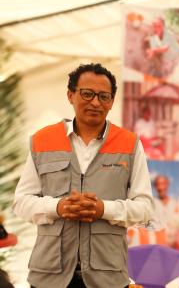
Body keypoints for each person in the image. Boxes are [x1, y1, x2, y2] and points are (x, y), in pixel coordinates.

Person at [12, 63, 154, 288]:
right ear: (70, 95)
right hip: (49, 275)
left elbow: (145, 208)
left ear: (111, 102)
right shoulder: (42, 140)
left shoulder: (130, 144)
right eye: (87, 94)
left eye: (103, 96)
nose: (95, 102)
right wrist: (58, 207)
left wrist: (103, 210)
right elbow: (21, 202)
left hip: (106, 277)